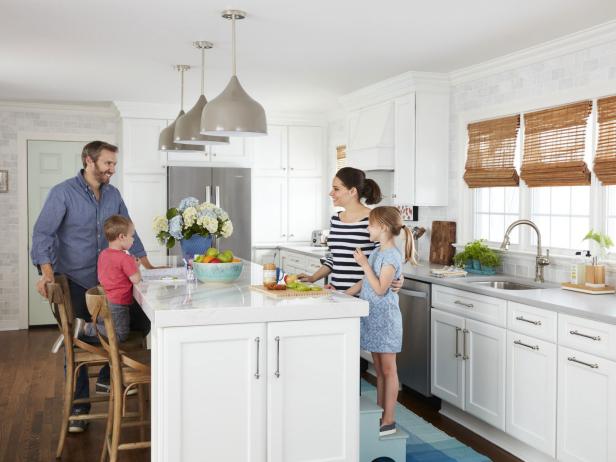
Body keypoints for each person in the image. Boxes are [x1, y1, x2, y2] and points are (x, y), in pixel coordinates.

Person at [31, 140, 154, 433]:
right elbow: (43, 233)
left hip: (109, 281)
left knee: (141, 320)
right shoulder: (63, 193)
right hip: (75, 277)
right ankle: (79, 405)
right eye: (108, 163)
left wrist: (147, 265)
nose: (113, 169)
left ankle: (109, 375)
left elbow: (128, 231)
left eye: (114, 164)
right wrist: (47, 272)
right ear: (90, 160)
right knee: (79, 340)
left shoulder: (113, 194)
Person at [345, 206, 418, 436]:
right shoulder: (377, 251)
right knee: (379, 369)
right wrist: (340, 294)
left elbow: (379, 289)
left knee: (388, 370)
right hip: (373, 319)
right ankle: (380, 412)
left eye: (371, 225)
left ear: (383, 228)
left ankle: (389, 419)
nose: (368, 228)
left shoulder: (392, 256)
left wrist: (364, 264)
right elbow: (365, 283)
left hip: (385, 321)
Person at [298, 166, 402, 291]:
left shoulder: (373, 220)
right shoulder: (335, 220)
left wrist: (399, 277)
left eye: (336, 189)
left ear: (352, 191)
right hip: (337, 295)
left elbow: (385, 258)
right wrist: (312, 278)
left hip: (363, 298)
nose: (331, 193)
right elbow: (334, 258)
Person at [75, 215, 141, 343]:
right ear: (122, 237)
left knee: (107, 327)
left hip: (102, 301)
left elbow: (111, 274)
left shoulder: (103, 254)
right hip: (117, 304)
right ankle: (86, 328)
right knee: (120, 334)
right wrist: (136, 266)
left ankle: (86, 328)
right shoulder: (125, 258)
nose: (133, 240)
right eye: (132, 236)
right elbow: (136, 279)